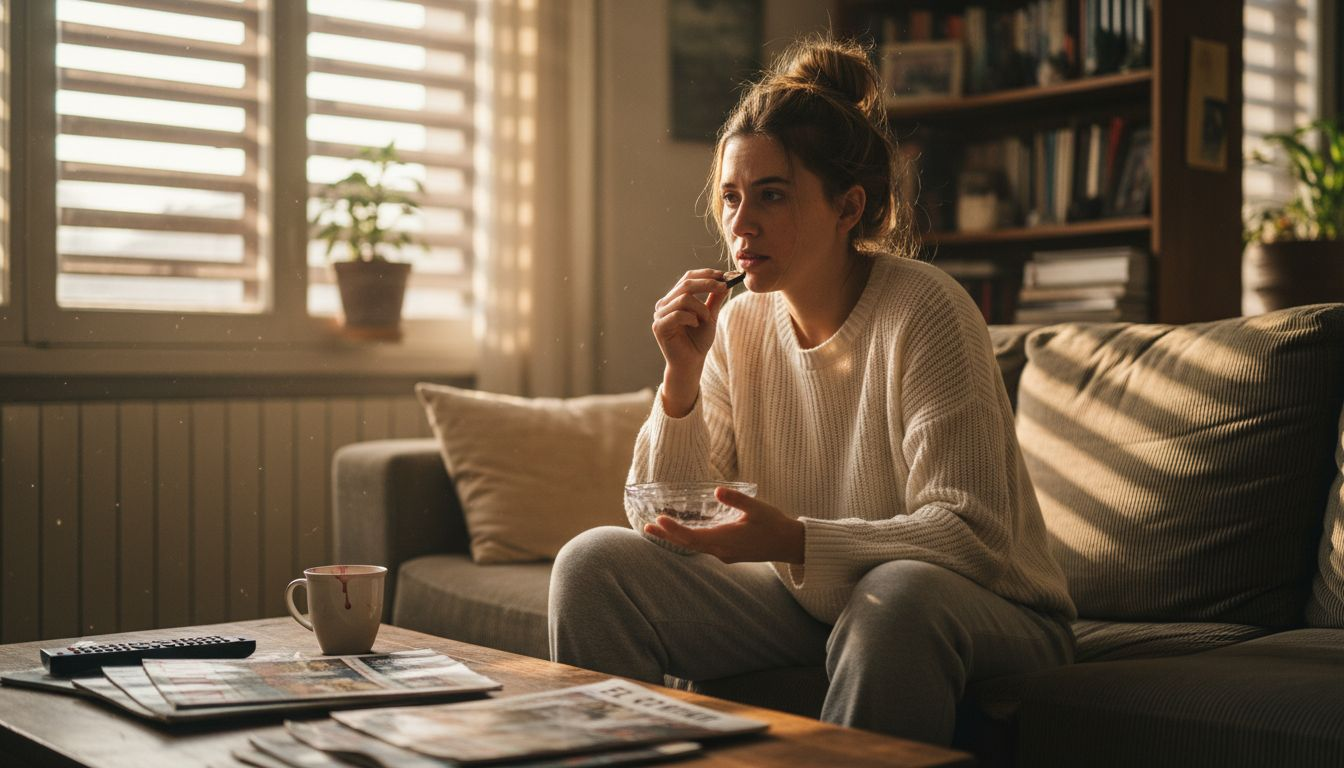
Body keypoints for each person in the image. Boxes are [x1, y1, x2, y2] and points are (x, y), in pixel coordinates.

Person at [548, 36, 1076, 746]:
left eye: (771, 195)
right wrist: (679, 380)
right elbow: (664, 525)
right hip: (814, 602)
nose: (741, 223)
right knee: (593, 564)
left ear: (848, 207)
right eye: (732, 197)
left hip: (986, 610)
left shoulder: (927, 310)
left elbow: (971, 535)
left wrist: (796, 539)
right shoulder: (738, 324)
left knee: (896, 599)